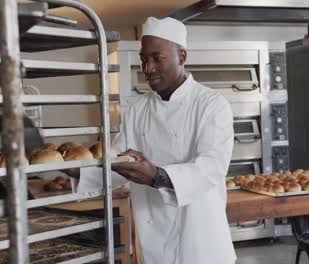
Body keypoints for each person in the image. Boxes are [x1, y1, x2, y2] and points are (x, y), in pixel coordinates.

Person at [74, 17, 236, 264]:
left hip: (201, 245)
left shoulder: (212, 105)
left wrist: (157, 176)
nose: (147, 68)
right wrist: (71, 171)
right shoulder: (138, 109)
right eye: (143, 59)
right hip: (154, 246)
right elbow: (118, 164)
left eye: (157, 58)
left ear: (182, 56)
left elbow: (211, 168)